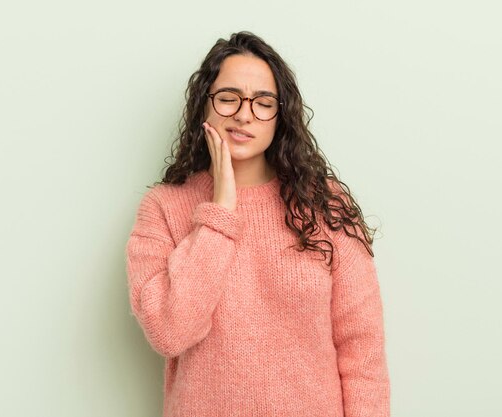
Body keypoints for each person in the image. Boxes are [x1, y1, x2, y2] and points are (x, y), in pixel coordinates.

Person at [125, 31, 390, 417]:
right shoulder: (163, 209)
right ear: (205, 107)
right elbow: (170, 330)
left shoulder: (325, 205)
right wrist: (221, 211)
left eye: (263, 103)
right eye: (229, 98)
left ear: (280, 116)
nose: (244, 114)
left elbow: (362, 351)